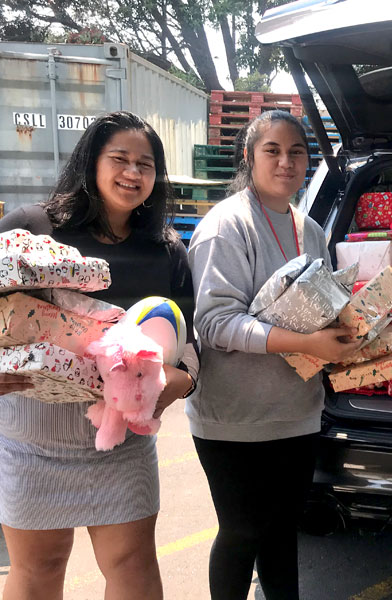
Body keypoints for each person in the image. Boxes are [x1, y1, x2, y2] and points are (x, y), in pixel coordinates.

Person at [0, 111, 197, 600]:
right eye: (120, 159)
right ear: (91, 162)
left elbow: (189, 340)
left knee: (133, 566)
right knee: (39, 569)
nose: (133, 173)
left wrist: (183, 381)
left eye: (145, 164)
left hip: (123, 440)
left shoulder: (166, 250)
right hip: (33, 437)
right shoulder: (33, 227)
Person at [187, 110, 359, 600]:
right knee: (243, 532)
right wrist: (306, 343)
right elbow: (215, 324)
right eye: (273, 151)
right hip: (234, 419)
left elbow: (322, 308)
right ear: (249, 156)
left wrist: (349, 336)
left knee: (283, 532)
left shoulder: (311, 230)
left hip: (296, 412)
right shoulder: (227, 226)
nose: (286, 162)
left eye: (296, 152)